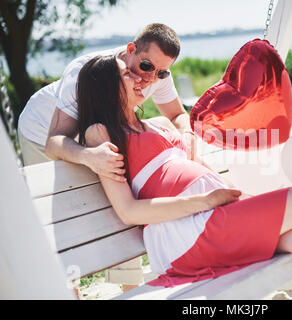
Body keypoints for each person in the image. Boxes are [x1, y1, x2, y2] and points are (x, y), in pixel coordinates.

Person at [76, 54, 292, 300]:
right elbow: (129, 212)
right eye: (126, 74)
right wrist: (205, 200)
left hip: (217, 219)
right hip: (189, 231)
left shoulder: (155, 126)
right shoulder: (101, 133)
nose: (139, 78)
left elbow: (182, 127)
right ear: (104, 88)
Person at [18, 23, 191, 294]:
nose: (149, 80)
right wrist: (87, 155)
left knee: (118, 202)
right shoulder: (83, 72)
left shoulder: (156, 75)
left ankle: (130, 290)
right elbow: (55, 140)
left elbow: (178, 115)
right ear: (130, 49)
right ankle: (69, 290)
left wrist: (187, 136)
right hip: (41, 132)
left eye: (162, 72)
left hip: (97, 136)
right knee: (59, 220)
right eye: (145, 67)